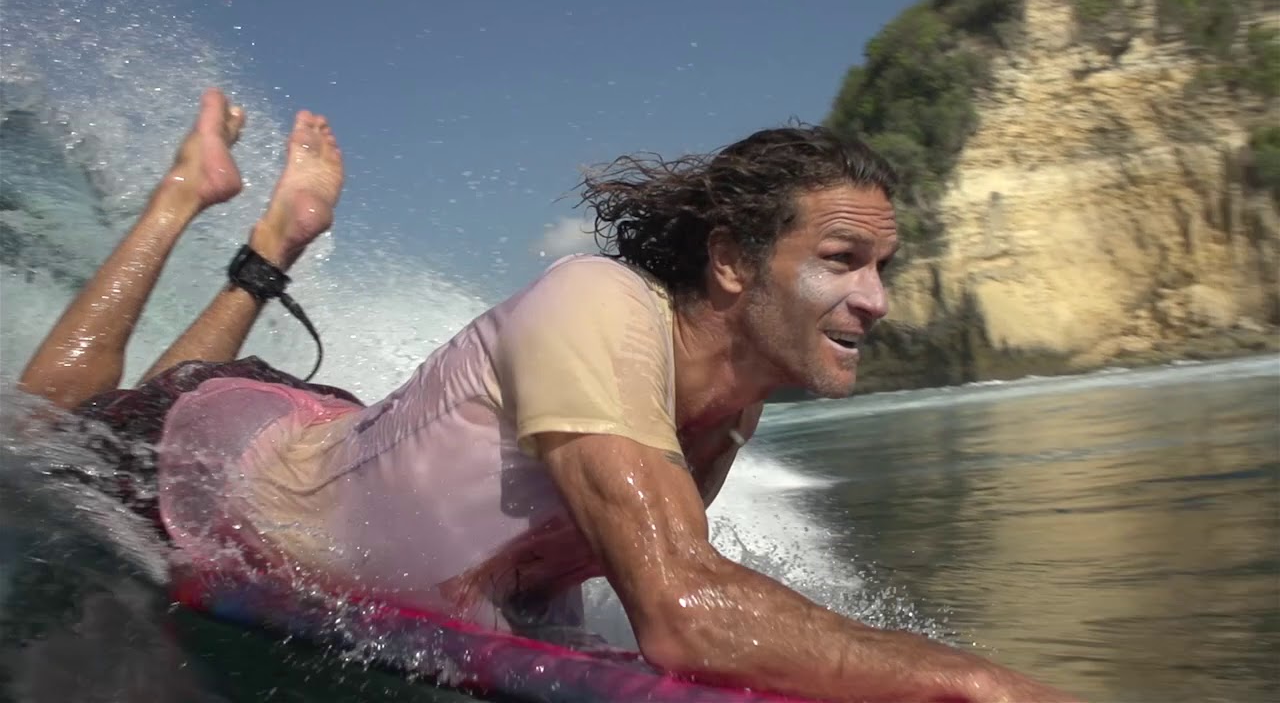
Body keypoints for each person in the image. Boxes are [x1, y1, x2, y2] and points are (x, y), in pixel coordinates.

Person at [19, 88, 1079, 703]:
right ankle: (189, 195)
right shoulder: (597, 302)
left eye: (882, 267)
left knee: (172, 389)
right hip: (235, 466)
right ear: (728, 261)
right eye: (843, 260)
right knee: (47, 426)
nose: (877, 299)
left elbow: (652, 581)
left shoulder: (730, 405)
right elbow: (685, 613)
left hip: (345, 441)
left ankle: (275, 241)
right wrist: (972, 682)